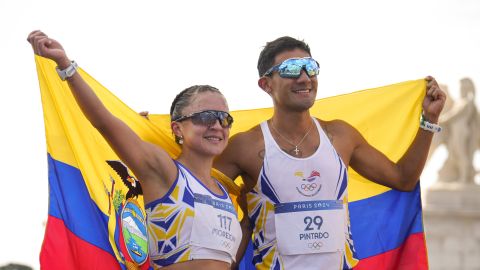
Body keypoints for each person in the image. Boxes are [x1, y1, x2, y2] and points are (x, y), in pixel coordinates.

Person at [213, 36, 446, 269]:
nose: (304, 78)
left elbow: (403, 178)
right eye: (291, 69)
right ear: (266, 84)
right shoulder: (245, 147)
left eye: (310, 68)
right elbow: (197, 200)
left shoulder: (341, 136)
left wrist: (429, 120)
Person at [28, 30, 243, 270]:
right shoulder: (163, 170)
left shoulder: (226, 191)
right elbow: (104, 122)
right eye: (205, 116)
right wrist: (67, 67)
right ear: (178, 128)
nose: (216, 125)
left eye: (224, 118)